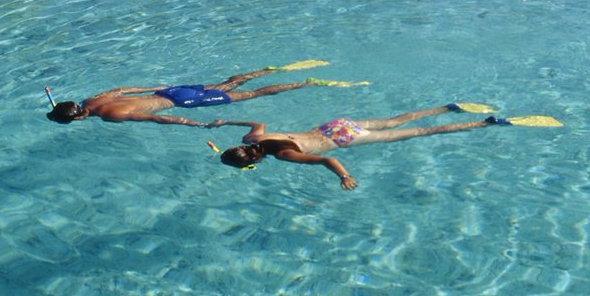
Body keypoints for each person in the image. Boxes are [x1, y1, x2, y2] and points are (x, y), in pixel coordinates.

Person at [209, 104, 520, 191]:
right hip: (334, 125)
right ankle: (448, 107)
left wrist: (343, 176)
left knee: (420, 133)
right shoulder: (254, 139)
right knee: (397, 119)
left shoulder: (283, 154)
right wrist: (226, 122)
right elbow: (257, 122)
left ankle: (485, 124)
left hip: (343, 138)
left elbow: (325, 160)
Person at [45, 61, 365, 126]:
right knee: (229, 82)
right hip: (169, 89)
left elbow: (156, 119)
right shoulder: (92, 100)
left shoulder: (109, 116)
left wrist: (191, 123)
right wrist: (160, 85)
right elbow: (125, 89)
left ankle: (307, 83)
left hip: (179, 100)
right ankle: (272, 68)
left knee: (252, 96)